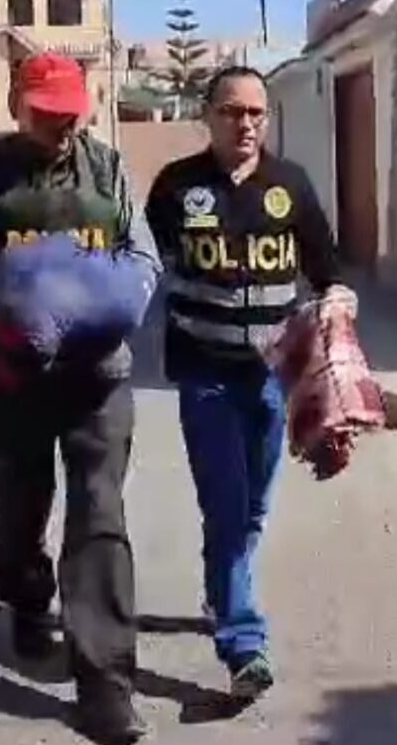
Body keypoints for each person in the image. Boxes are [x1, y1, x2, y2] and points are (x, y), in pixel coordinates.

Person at [0, 53, 160, 745]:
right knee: (19, 513)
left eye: (71, 114)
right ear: (18, 105)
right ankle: (28, 598)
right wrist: (27, 289)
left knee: (100, 515)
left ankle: (105, 683)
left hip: (98, 376)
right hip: (14, 378)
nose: (61, 127)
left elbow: (143, 256)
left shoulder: (108, 167)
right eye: (46, 114)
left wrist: (106, 296)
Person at [144, 65, 341, 702]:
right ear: (208, 116)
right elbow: (143, 268)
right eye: (232, 111)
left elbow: (326, 271)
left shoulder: (291, 185)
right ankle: (243, 644)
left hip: (271, 379)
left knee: (254, 504)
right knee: (226, 507)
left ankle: (222, 586)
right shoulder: (176, 188)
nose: (246, 124)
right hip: (204, 373)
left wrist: (338, 306)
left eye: (256, 113)